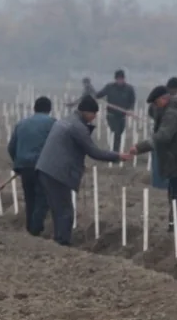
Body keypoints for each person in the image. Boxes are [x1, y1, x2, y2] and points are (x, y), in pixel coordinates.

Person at [34, 95, 124, 246]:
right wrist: (118, 156)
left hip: (46, 169)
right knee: (65, 211)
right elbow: (94, 151)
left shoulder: (66, 120)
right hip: (57, 173)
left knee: (57, 209)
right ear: (87, 112)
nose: (94, 117)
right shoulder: (78, 127)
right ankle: (62, 243)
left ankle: (58, 239)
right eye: (94, 114)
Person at [125, 86, 177, 235]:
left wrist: (139, 147)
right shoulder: (171, 111)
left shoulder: (171, 114)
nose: (155, 107)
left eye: (156, 103)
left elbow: (163, 136)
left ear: (164, 99)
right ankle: (176, 228)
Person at [7, 96, 56, 237]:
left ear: (34, 108)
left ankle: (30, 228)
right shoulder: (53, 124)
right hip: (43, 166)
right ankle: (35, 229)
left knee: (30, 198)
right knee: (43, 197)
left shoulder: (21, 124)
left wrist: (18, 163)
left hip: (24, 167)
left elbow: (11, 147)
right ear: (49, 109)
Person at [93, 70, 136, 151]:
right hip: (111, 115)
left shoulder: (129, 89)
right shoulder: (109, 87)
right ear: (115, 79)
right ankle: (115, 153)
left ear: (124, 79)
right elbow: (99, 95)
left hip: (122, 115)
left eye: (121, 79)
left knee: (119, 133)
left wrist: (130, 110)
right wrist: (94, 96)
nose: (120, 81)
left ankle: (115, 151)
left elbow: (132, 101)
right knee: (116, 132)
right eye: (118, 79)